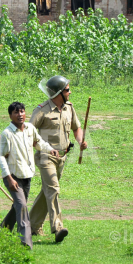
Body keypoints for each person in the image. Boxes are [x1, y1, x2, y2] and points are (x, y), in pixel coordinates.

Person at [29, 75, 88, 243]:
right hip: (45, 157)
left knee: (47, 191)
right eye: (68, 90)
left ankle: (31, 226)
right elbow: (29, 133)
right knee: (53, 188)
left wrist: (80, 141)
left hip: (63, 157)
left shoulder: (69, 108)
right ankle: (58, 227)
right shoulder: (41, 110)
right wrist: (41, 147)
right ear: (59, 93)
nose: (70, 92)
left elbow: (77, 128)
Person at [0, 102, 58, 249]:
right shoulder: (7, 134)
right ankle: (25, 240)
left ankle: (2, 230)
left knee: (17, 207)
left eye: (22, 111)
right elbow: (1, 157)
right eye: (16, 112)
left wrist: (50, 150)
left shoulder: (30, 129)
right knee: (23, 206)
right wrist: (8, 178)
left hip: (27, 176)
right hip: (13, 177)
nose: (20, 115)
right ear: (10, 116)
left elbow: (39, 143)